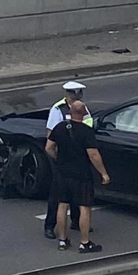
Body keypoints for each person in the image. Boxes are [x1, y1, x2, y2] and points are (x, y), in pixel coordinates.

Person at [45, 101, 109, 254]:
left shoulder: (60, 127)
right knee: (84, 207)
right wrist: (103, 173)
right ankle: (84, 242)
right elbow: (93, 154)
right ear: (84, 113)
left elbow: (49, 147)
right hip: (81, 174)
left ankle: (62, 240)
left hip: (62, 172)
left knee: (62, 205)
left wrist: (58, 160)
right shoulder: (86, 131)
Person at [43, 81, 92, 239]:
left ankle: (77, 221)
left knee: (78, 191)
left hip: (78, 155)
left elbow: (88, 127)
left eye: (78, 95)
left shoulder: (82, 108)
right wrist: (58, 158)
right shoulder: (58, 109)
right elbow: (50, 135)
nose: (77, 98)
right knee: (57, 195)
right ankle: (50, 226)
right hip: (62, 156)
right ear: (68, 96)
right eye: (74, 95)